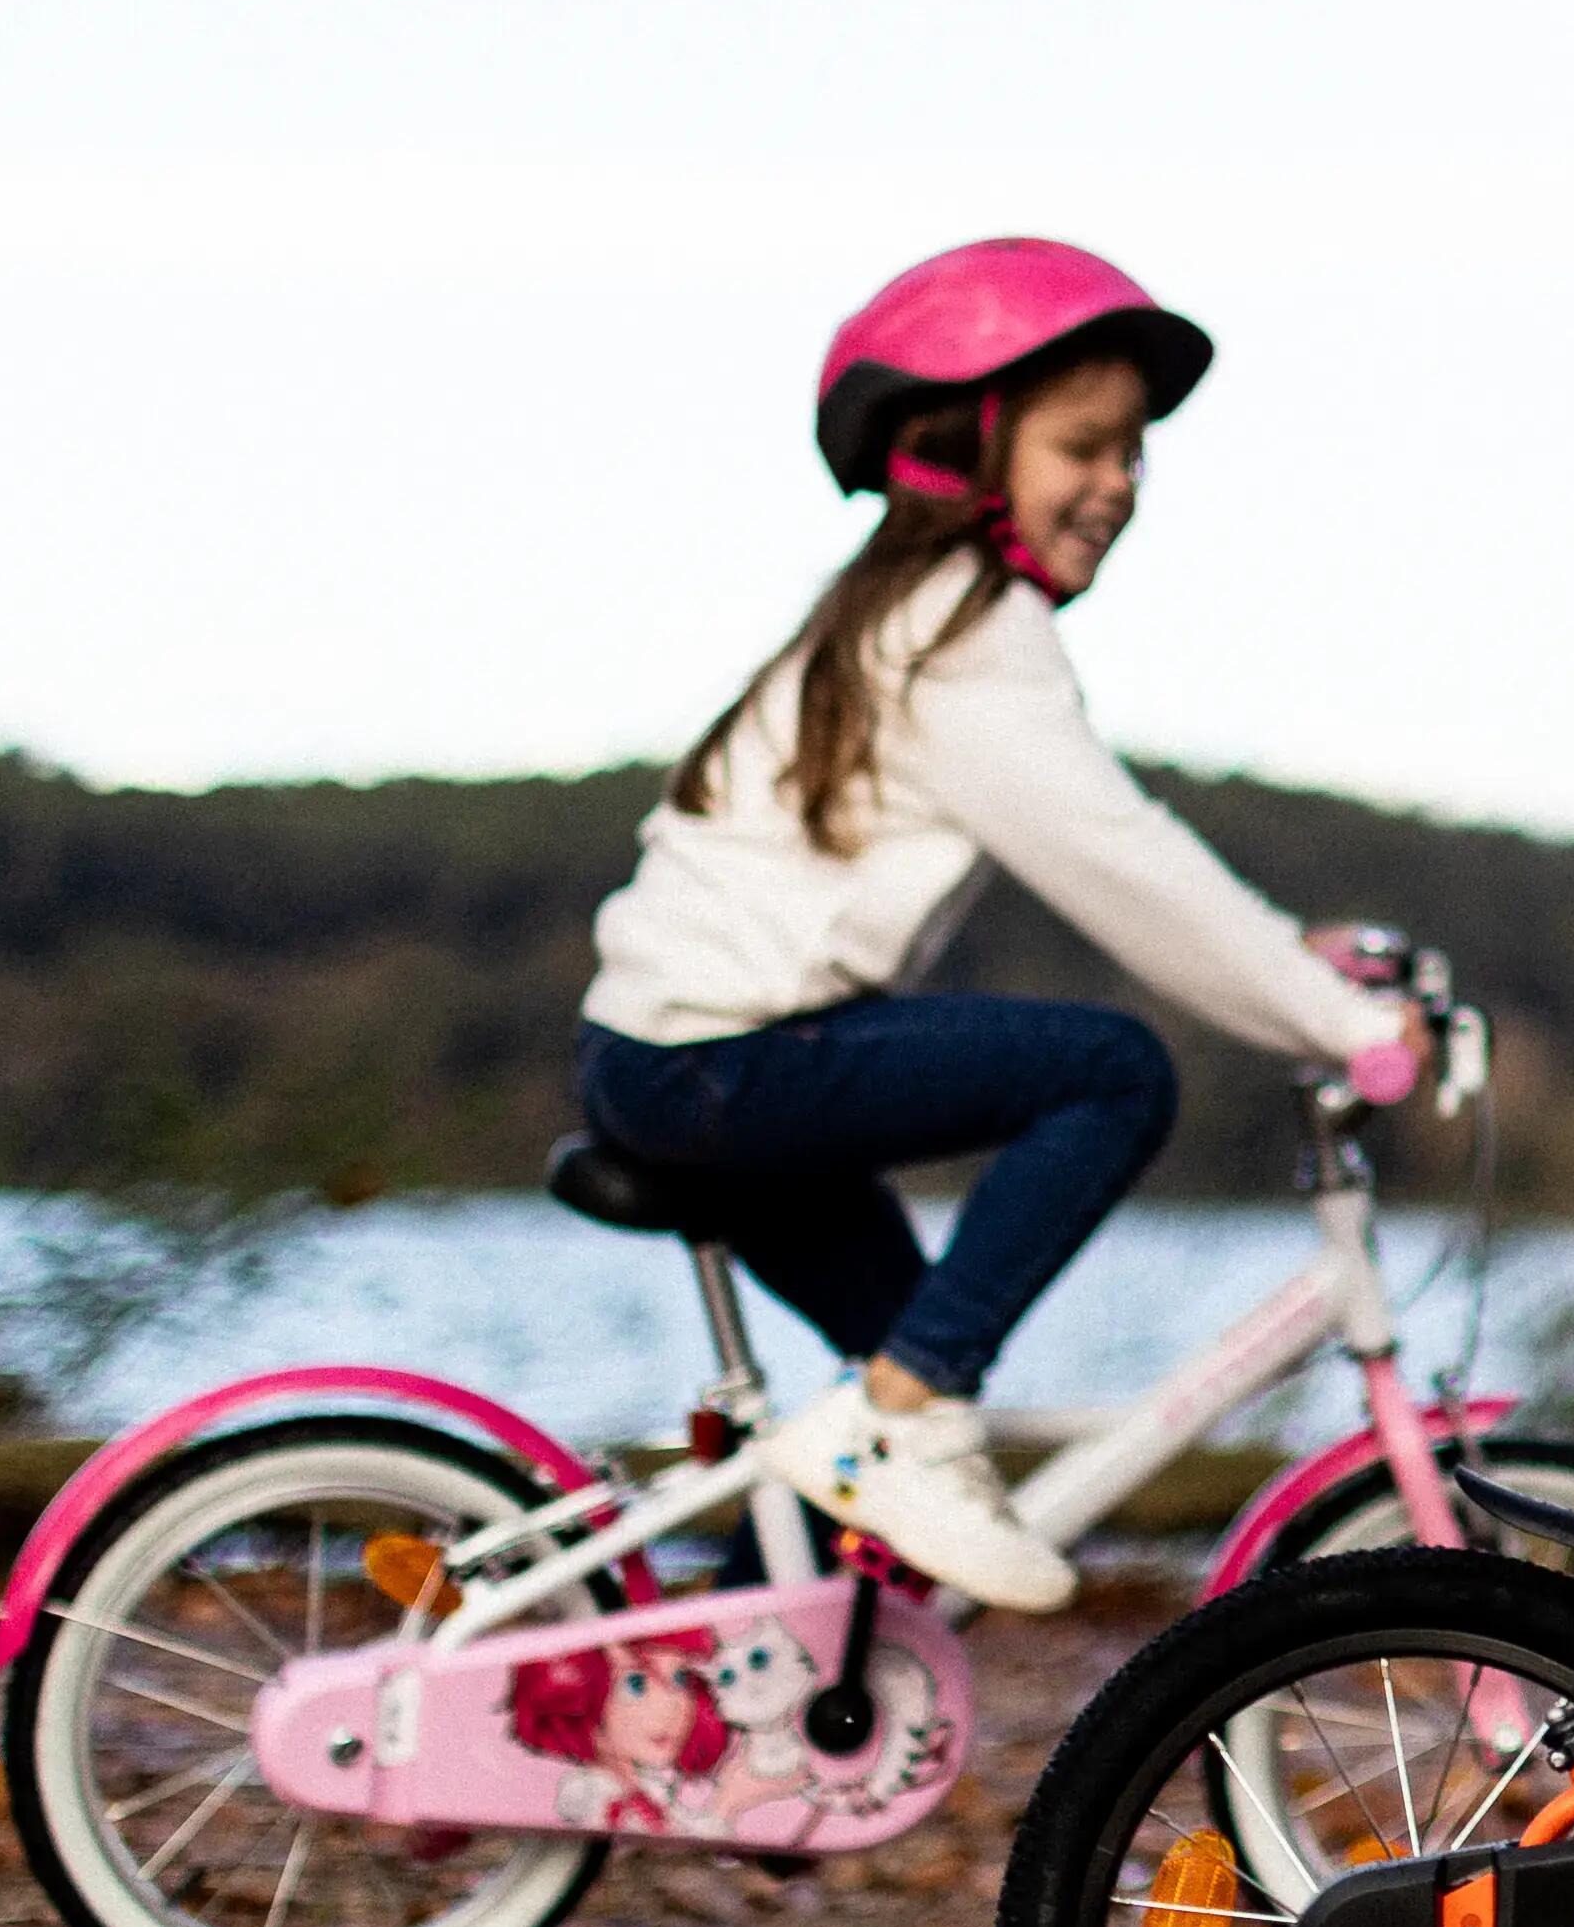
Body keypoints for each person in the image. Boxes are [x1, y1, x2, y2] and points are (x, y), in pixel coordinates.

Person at [577, 238, 1429, 1612]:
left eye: (1137, 454)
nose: (1120, 483)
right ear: (973, 447)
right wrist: (1335, 1024)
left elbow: (1127, 844)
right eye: (1086, 446)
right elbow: (1124, 865)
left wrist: (1293, 961)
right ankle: (893, 1428)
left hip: (684, 1058)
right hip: (718, 1061)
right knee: (1110, 1071)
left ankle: (727, 1685)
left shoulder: (911, 616)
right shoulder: (967, 632)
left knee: (895, 1361)